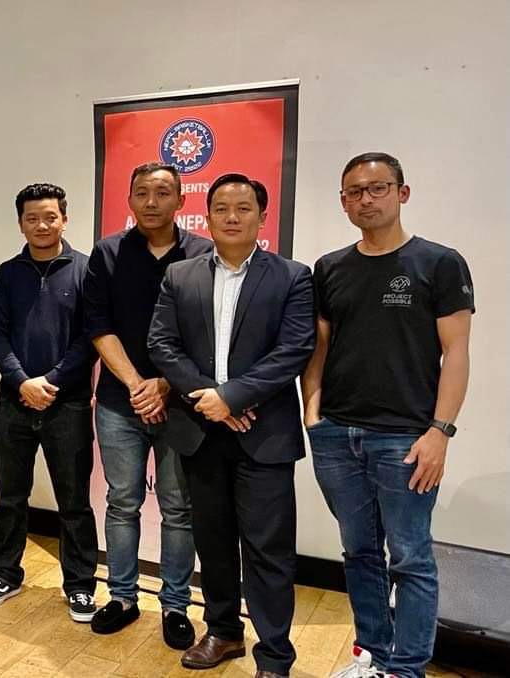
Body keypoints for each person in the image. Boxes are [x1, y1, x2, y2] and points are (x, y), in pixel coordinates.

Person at [302, 153, 474, 678]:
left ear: (402, 193)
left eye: (377, 188)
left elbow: (457, 352)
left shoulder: (439, 263)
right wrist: (313, 412)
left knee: (410, 558)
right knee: (358, 553)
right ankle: (373, 657)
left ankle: (406, 669)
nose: (366, 199)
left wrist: (440, 432)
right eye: (354, 191)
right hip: (336, 435)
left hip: (405, 438)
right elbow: (320, 347)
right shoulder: (329, 268)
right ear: (343, 202)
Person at [148, 173, 314, 678]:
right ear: (207, 217)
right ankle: (223, 632)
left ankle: (275, 656)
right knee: (213, 541)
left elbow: (294, 349)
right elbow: (161, 344)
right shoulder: (180, 275)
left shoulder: (292, 276)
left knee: (268, 550)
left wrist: (233, 396)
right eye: (221, 208)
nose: (232, 217)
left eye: (244, 208)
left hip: (265, 435)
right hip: (201, 432)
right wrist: (211, 399)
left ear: (262, 216)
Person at [81, 162, 212, 648]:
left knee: (179, 508)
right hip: (120, 402)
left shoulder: (203, 253)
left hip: (182, 404)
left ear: (181, 200)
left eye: (162, 192)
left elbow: (207, 333)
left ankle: (175, 605)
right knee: (122, 503)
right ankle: (122, 597)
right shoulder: (108, 252)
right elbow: (98, 326)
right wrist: (139, 384)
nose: (151, 202)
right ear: (129, 199)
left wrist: (166, 385)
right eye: (142, 193)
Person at [0, 183, 100, 623]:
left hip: (67, 405)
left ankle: (80, 585)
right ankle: (5, 573)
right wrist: (22, 381)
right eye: (32, 218)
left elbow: (91, 337)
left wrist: (50, 381)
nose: (42, 225)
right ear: (21, 223)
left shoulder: (87, 271)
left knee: (74, 501)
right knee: (11, 497)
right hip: (15, 402)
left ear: (64, 219)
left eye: (50, 217)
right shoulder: (6, 274)